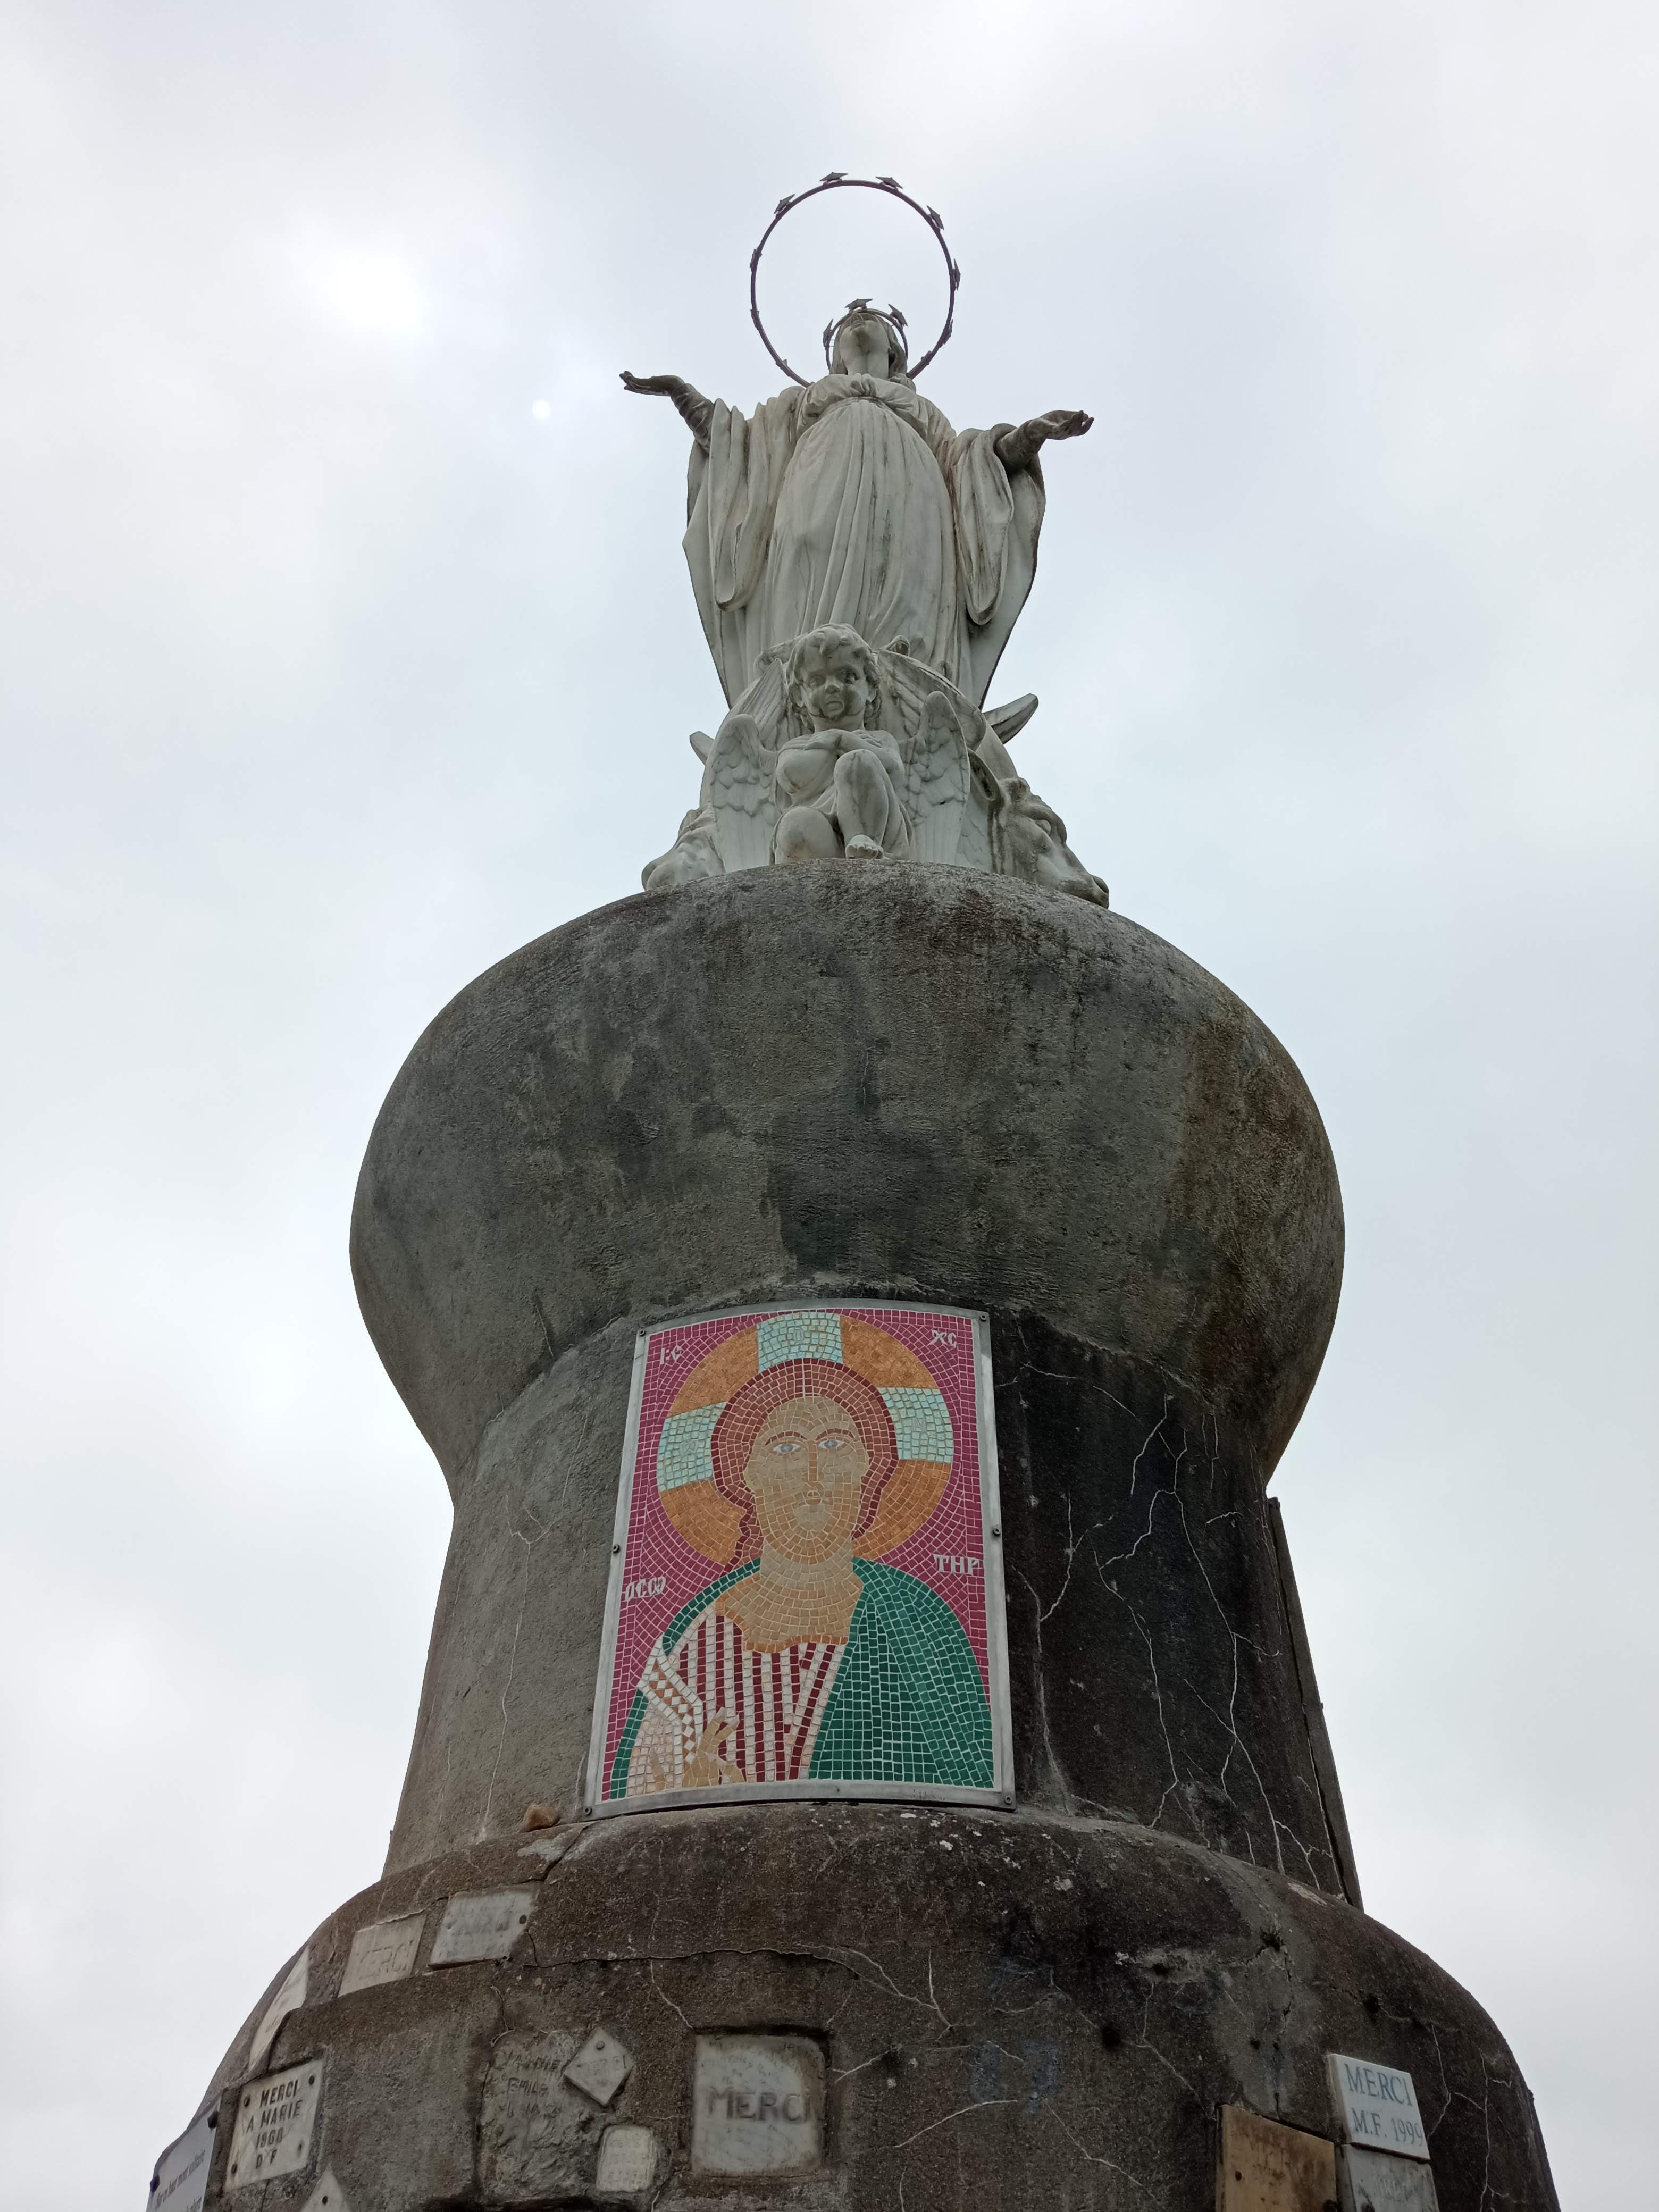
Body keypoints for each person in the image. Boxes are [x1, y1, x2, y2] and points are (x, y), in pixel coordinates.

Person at [621, 303, 1090, 709]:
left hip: (914, 513)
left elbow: (976, 468)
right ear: (835, 355)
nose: (859, 318)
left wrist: (1029, 436)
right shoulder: (801, 404)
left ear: (894, 350)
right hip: (814, 498)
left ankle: (905, 708)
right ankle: (808, 700)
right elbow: (737, 451)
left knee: (909, 611)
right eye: (848, 322)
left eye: (872, 320)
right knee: (811, 608)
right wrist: (682, 394)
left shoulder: (925, 414)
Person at [613, 1357, 992, 1797]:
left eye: (834, 1444)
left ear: (866, 1464)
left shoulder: (919, 1619)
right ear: (748, 1473)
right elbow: (640, 1788)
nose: (813, 1475)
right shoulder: (694, 1638)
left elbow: (969, 1772)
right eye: (786, 1449)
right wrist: (694, 1790)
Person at [773, 624, 910, 862]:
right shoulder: (797, 746)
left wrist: (843, 739)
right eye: (816, 681)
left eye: (847, 676)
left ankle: (862, 838)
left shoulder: (880, 739)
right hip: (823, 835)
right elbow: (791, 777)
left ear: (870, 689)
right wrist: (831, 742)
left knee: (858, 760)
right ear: (798, 696)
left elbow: (895, 772)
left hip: (876, 830)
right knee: (794, 824)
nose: (832, 686)